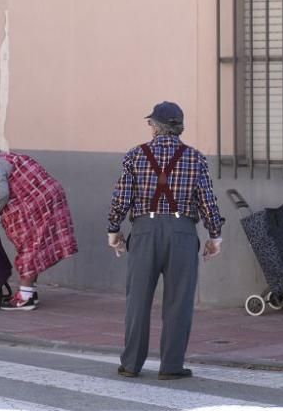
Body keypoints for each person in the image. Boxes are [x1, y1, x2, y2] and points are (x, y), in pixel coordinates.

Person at [107, 101, 225, 380]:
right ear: (179, 126)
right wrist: (215, 236)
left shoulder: (135, 155)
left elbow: (121, 198)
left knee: (137, 300)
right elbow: (207, 201)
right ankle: (171, 367)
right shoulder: (195, 157)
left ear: (156, 126)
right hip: (182, 232)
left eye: (150, 122)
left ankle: (131, 364)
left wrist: (114, 230)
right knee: (179, 302)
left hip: (145, 231)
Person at [0, 141, 78, 311]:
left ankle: (24, 298)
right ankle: (29, 292)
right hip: (48, 199)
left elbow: (2, 194)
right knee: (35, 245)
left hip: (38, 205)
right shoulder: (10, 157)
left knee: (28, 248)